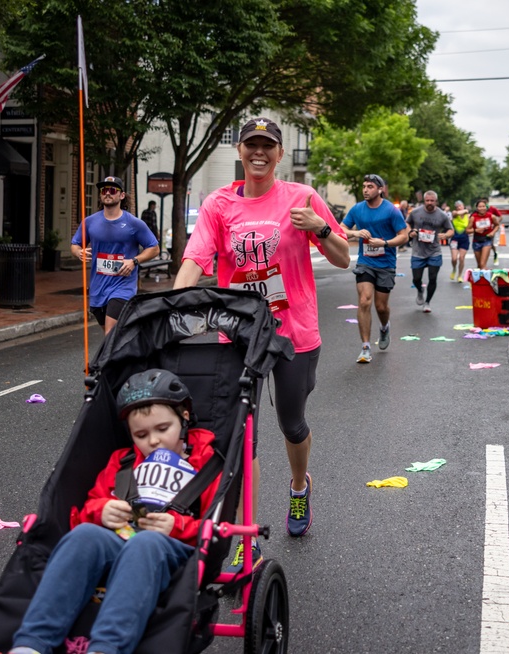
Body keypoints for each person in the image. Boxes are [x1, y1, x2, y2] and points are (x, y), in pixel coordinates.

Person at [174, 117, 351, 541]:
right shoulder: (219, 204)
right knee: (241, 433)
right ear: (240, 151)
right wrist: (174, 303)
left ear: (279, 153)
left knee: (291, 423)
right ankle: (244, 532)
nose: (258, 152)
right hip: (236, 333)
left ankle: (298, 486)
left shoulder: (302, 197)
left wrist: (321, 229)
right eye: (251, 144)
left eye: (266, 145)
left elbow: (344, 257)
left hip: (294, 330)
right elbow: (195, 260)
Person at [7, 369, 223, 654]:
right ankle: (31, 643)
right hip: (119, 539)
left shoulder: (205, 463)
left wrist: (177, 525)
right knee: (84, 535)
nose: (154, 441)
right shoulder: (123, 462)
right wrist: (103, 511)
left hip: (174, 547)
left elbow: (217, 526)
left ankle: (107, 647)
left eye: (162, 429)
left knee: (146, 544)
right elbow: (89, 507)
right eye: (141, 435)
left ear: (183, 418)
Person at [71, 176, 160, 334]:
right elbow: (75, 244)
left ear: (121, 195)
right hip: (98, 287)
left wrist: (134, 261)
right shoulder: (90, 222)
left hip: (122, 287)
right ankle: (129, 353)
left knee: (110, 332)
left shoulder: (134, 223)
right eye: (104, 190)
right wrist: (79, 251)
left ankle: (104, 360)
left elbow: (154, 248)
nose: (107, 193)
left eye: (112, 190)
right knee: (112, 335)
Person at [339, 173, 409, 363]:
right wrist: (355, 232)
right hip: (365, 263)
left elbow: (404, 236)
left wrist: (384, 243)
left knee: (381, 306)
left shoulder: (391, 211)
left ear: (380, 190)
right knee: (364, 301)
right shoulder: (357, 209)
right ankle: (365, 347)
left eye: (370, 186)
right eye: (364, 186)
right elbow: (341, 229)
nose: (365, 190)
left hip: (386, 264)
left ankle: (385, 327)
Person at [406, 190, 453, 313]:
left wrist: (445, 235)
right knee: (416, 279)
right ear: (424, 201)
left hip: (434, 251)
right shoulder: (415, 212)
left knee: (433, 278)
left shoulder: (442, 215)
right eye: (427, 200)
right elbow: (407, 223)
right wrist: (410, 232)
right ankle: (420, 290)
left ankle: (427, 302)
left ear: (436, 201)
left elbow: (450, 230)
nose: (429, 203)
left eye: (432, 201)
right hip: (418, 251)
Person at [467, 198, 501, 270]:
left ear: (486, 207)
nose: (482, 208)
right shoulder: (473, 217)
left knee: (483, 264)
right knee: (479, 265)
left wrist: (492, 232)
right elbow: (467, 230)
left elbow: (497, 225)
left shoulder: (491, 216)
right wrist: (476, 230)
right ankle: (482, 279)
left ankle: (486, 279)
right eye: (480, 206)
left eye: (483, 206)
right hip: (476, 241)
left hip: (487, 240)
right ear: (477, 208)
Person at [449, 200, 470, 281]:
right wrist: (465, 210)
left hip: (464, 238)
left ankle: (459, 275)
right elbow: (455, 213)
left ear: (463, 205)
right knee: (454, 258)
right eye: (457, 206)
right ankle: (454, 269)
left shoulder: (467, 216)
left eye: (460, 206)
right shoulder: (454, 213)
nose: (458, 207)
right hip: (454, 239)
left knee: (461, 258)